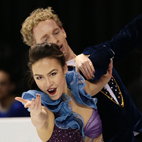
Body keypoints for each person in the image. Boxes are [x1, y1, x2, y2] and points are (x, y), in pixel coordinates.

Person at [20, 7, 142, 141]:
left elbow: (126, 38)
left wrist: (85, 57)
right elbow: (43, 118)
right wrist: (37, 115)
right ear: (36, 48)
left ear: (63, 32)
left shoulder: (94, 53)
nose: (54, 40)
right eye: (45, 40)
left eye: (56, 32)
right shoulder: (58, 86)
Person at [15, 43, 112, 142]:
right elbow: (40, 120)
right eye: (39, 77)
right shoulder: (46, 111)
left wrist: (106, 75)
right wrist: (36, 113)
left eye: (53, 74)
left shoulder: (80, 89)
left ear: (65, 68)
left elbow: (104, 77)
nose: (48, 83)